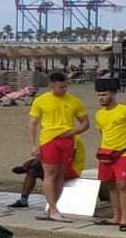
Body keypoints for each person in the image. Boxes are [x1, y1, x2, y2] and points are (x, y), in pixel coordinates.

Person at [28, 70, 89, 221]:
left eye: (65, 86)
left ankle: (51, 208)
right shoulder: (41, 100)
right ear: (51, 86)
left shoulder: (74, 101)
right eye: (60, 87)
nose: (64, 89)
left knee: (61, 174)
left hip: (68, 140)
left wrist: (73, 131)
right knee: (50, 173)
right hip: (49, 139)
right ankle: (53, 209)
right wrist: (33, 145)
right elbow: (32, 123)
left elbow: (85, 123)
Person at [93, 78, 126, 231]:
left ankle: (125, 219)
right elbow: (102, 132)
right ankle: (116, 216)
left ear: (113, 94)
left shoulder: (125, 110)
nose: (101, 98)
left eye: (104, 94)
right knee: (111, 185)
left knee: (123, 185)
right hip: (106, 153)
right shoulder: (99, 114)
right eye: (99, 95)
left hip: (125, 152)